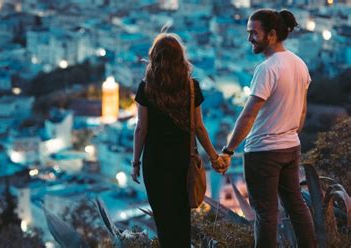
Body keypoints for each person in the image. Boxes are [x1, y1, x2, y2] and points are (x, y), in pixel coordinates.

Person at [219, 9, 317, 248]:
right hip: (290, 146)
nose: (249, 38)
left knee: (265, 214)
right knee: (296, 205)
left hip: (263, 152)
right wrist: (287, 132)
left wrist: (228, 150)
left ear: (272, 34)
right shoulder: (299, 64)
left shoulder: (267, 68)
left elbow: (249, 114)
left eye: (254, 33)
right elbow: (302, 113)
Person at [131, 33, 227, 247]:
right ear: (179, 58)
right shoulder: (191, 87)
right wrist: (213, 156)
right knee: (182, 217)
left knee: (163, 219)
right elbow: (199, 127)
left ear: (155, 58)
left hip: (155, 161)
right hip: (182, 160)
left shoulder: (146, 88)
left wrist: (136, 162)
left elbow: (141, 129)